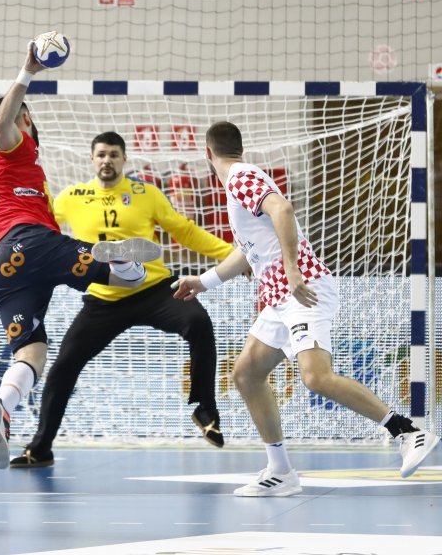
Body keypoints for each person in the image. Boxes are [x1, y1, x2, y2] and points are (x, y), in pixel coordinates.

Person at [173, 121, 440, 496]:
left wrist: (294, 270)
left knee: (316, 377)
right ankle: (280, 471)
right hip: (279, 298)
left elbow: (282, 209)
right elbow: (248, 251)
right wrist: (204, 281)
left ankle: (407, 431)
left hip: (301, 290)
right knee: (247, 374)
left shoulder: (239, 176)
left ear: (207, 152)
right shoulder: (242, 183)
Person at [0, 40, 161, 470]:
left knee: (31, 351)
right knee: (132, 279)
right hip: (32, 242)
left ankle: (3, 406)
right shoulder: (16, 146)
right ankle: (117, 255)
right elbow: (1, 128)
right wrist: (27, 71)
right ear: (24, 118)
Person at [8, 131, 234, 468]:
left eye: (114, 154)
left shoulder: (146, 194)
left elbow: (185, 231)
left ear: (124, 159)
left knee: (198, 322)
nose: (107, 160)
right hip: (104, 299)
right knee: (62, 369)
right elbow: (34, 224)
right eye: (101, 154)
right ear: (91, 159)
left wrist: (233, 255)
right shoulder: (72, 197)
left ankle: (205, 409)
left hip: (154, 290)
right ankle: (40, 448)